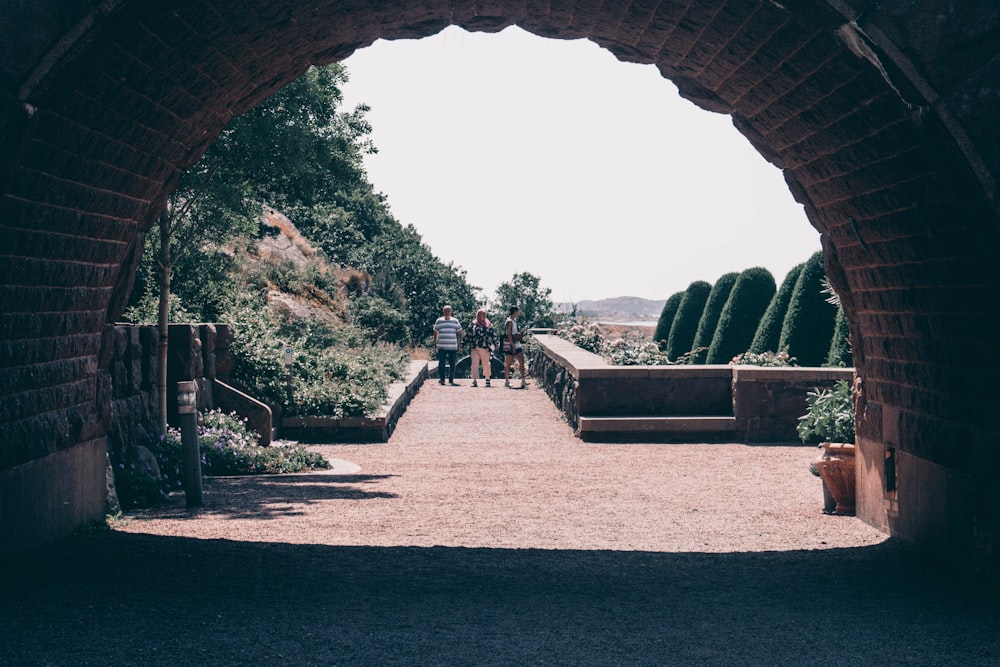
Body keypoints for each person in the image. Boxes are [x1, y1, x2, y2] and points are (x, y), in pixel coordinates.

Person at [466, 308, 497, 387]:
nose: (481, 316)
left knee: (486, 363)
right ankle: (474, 380)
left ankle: (487, 379)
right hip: (474, 347)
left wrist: (496, 344)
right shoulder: (473, 324)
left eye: (483, 314)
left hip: (485, 347)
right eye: (479, 314)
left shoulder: (489, 325)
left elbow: (493, 335)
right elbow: (468, 335)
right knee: (474, 363)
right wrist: (462, 345)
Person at [433, 305, 463, 386]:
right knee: (441, 363)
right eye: (445, 311)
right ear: (443, 312)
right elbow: (436, 332)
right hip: (441, 346)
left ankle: (451, 378)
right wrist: (435, 343)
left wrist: (460, 344)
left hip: (452, 346)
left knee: (452, 363)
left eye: (448, 311)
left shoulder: (455, 321)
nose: (447, 312)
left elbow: (460, 332)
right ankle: (442, 379)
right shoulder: (439, 321)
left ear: (451, 312)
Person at [503, 306, 529, 388]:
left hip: (517, 343)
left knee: (521, 361)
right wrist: (512, 345)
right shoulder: (509, 321)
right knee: (508, 363)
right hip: (511, 344)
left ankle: (523, 380)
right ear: (514, 311)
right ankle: (507, 381)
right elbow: (508, 334)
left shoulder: (514, 321)